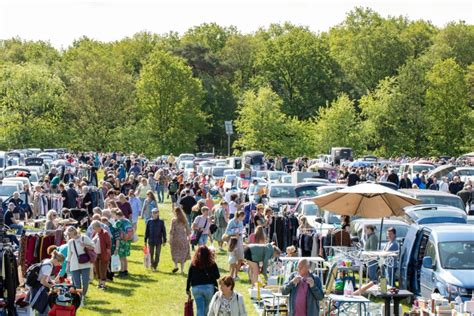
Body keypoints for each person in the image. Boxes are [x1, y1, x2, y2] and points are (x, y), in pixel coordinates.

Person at [28, 247, 66, 316]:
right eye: (59, 263)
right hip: (39, 288)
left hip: (37, 287)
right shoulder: (48, 267)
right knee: (43, 310)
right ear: (56, 260)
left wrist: (52, 281)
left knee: (44, 310)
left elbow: (44, 276)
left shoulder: (47, 261)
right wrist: (52, 287)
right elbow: (43, 281)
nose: (59, 265)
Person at [186, 246, 220, 316]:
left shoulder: (193, 263)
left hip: (196, 288)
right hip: (209, 288)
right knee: (207, 308)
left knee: (199, 309)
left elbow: (189, 277)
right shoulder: (212, 263)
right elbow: (217, 276)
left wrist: (187, 289)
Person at [66, 226, 94, 304]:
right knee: (77, 284)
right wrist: (68, 265)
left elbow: (93, 246)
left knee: (85, 282)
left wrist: (85, 245)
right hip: (74, 264)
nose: (69, 236)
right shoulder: (70, 242)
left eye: (69, 234)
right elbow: (69, 254)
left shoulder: (84, 238)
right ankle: (80, 299)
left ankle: (83, 296)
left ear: (73, 232)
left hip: (85, 263)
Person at [91, 220, 112, 290]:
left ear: (98, 227)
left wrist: (107, 254)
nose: (93, 229)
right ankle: (99, 283)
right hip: (96, 254)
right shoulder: (95, 233)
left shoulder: (105, 233)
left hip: (103, 254)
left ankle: (103, 284)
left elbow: (109, 244)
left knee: (103, 269)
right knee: (97, 269)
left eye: (94, 228)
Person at [225, 211, 245, 279]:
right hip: (232, 241)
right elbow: (227, 231)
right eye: (243, 217)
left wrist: (240, 232)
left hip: (239, 240)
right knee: (232, 258)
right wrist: (234, 232)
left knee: (240, 258)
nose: (243, 218)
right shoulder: (231, 221)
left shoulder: (241, 222)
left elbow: (242, 230)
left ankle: (236, 274)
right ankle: (231, 274)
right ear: (239, 216)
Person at [115, 210, 133, 277]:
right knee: (124, 257)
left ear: (117, 216)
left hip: (122, 241)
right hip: (127, 241)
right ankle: (125, 270)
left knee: (121, 257)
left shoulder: (119, 222)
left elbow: (115, 229)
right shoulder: (127, 221)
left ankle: (121, 272)